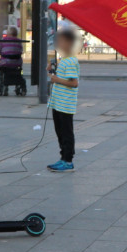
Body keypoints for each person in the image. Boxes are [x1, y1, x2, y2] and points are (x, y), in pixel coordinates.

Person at [47, 28, 81, 172]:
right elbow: (57, 78)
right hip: (57, 103)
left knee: (66, 132)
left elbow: (74, 83)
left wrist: (57, 80)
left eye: (61, 41)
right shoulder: (64, 60)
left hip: (65, 104)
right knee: (60, 131)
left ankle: (68, 160)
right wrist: (50, 70)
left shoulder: (71, 61)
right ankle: (63, 158)